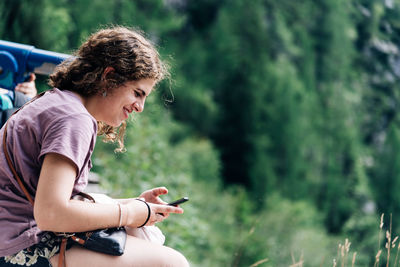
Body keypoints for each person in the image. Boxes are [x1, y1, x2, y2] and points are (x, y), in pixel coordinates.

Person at [0, 26, 189, 267]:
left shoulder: (56, 101)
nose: (140, 107)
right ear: (110, 77)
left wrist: (134, 206)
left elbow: (50, 200)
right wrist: (130, 214)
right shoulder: (74, 119)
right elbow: (51, 213)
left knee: (132, 230)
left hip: (9, 233)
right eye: (137, 93)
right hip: (16, 247)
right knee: (171, 263)